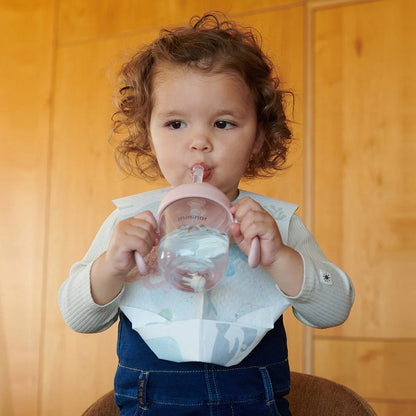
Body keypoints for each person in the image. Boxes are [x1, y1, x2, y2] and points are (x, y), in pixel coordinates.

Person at [58, 13, 354, 416]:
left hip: (256, 401)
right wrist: (110, 267)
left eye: (223, 123)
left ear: (258, 138)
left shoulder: (272, 225)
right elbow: (79, 318)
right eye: (176, 123)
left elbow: (333, 310)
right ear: (148, 134)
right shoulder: (129, 224)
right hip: (150, 401)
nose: (199, 142)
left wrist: (281, 257)